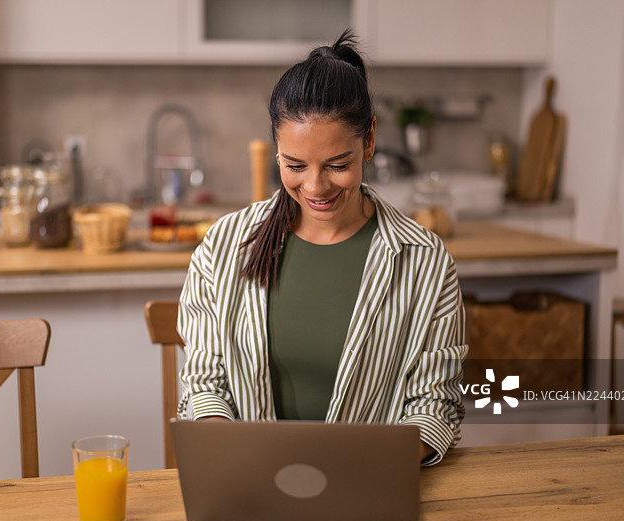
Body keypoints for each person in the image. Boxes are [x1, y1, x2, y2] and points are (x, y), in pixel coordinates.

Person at [177, 30, 466, 465]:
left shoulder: (424, 260)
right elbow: (205, 385)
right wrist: (230, 455)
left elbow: (434, 407)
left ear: (369, 140)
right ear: (276, 149)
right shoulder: (225, 247)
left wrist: (359, 472)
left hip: (369, 493)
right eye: (294, 165)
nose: (315, 187)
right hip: (251, 486)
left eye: (338, 165)